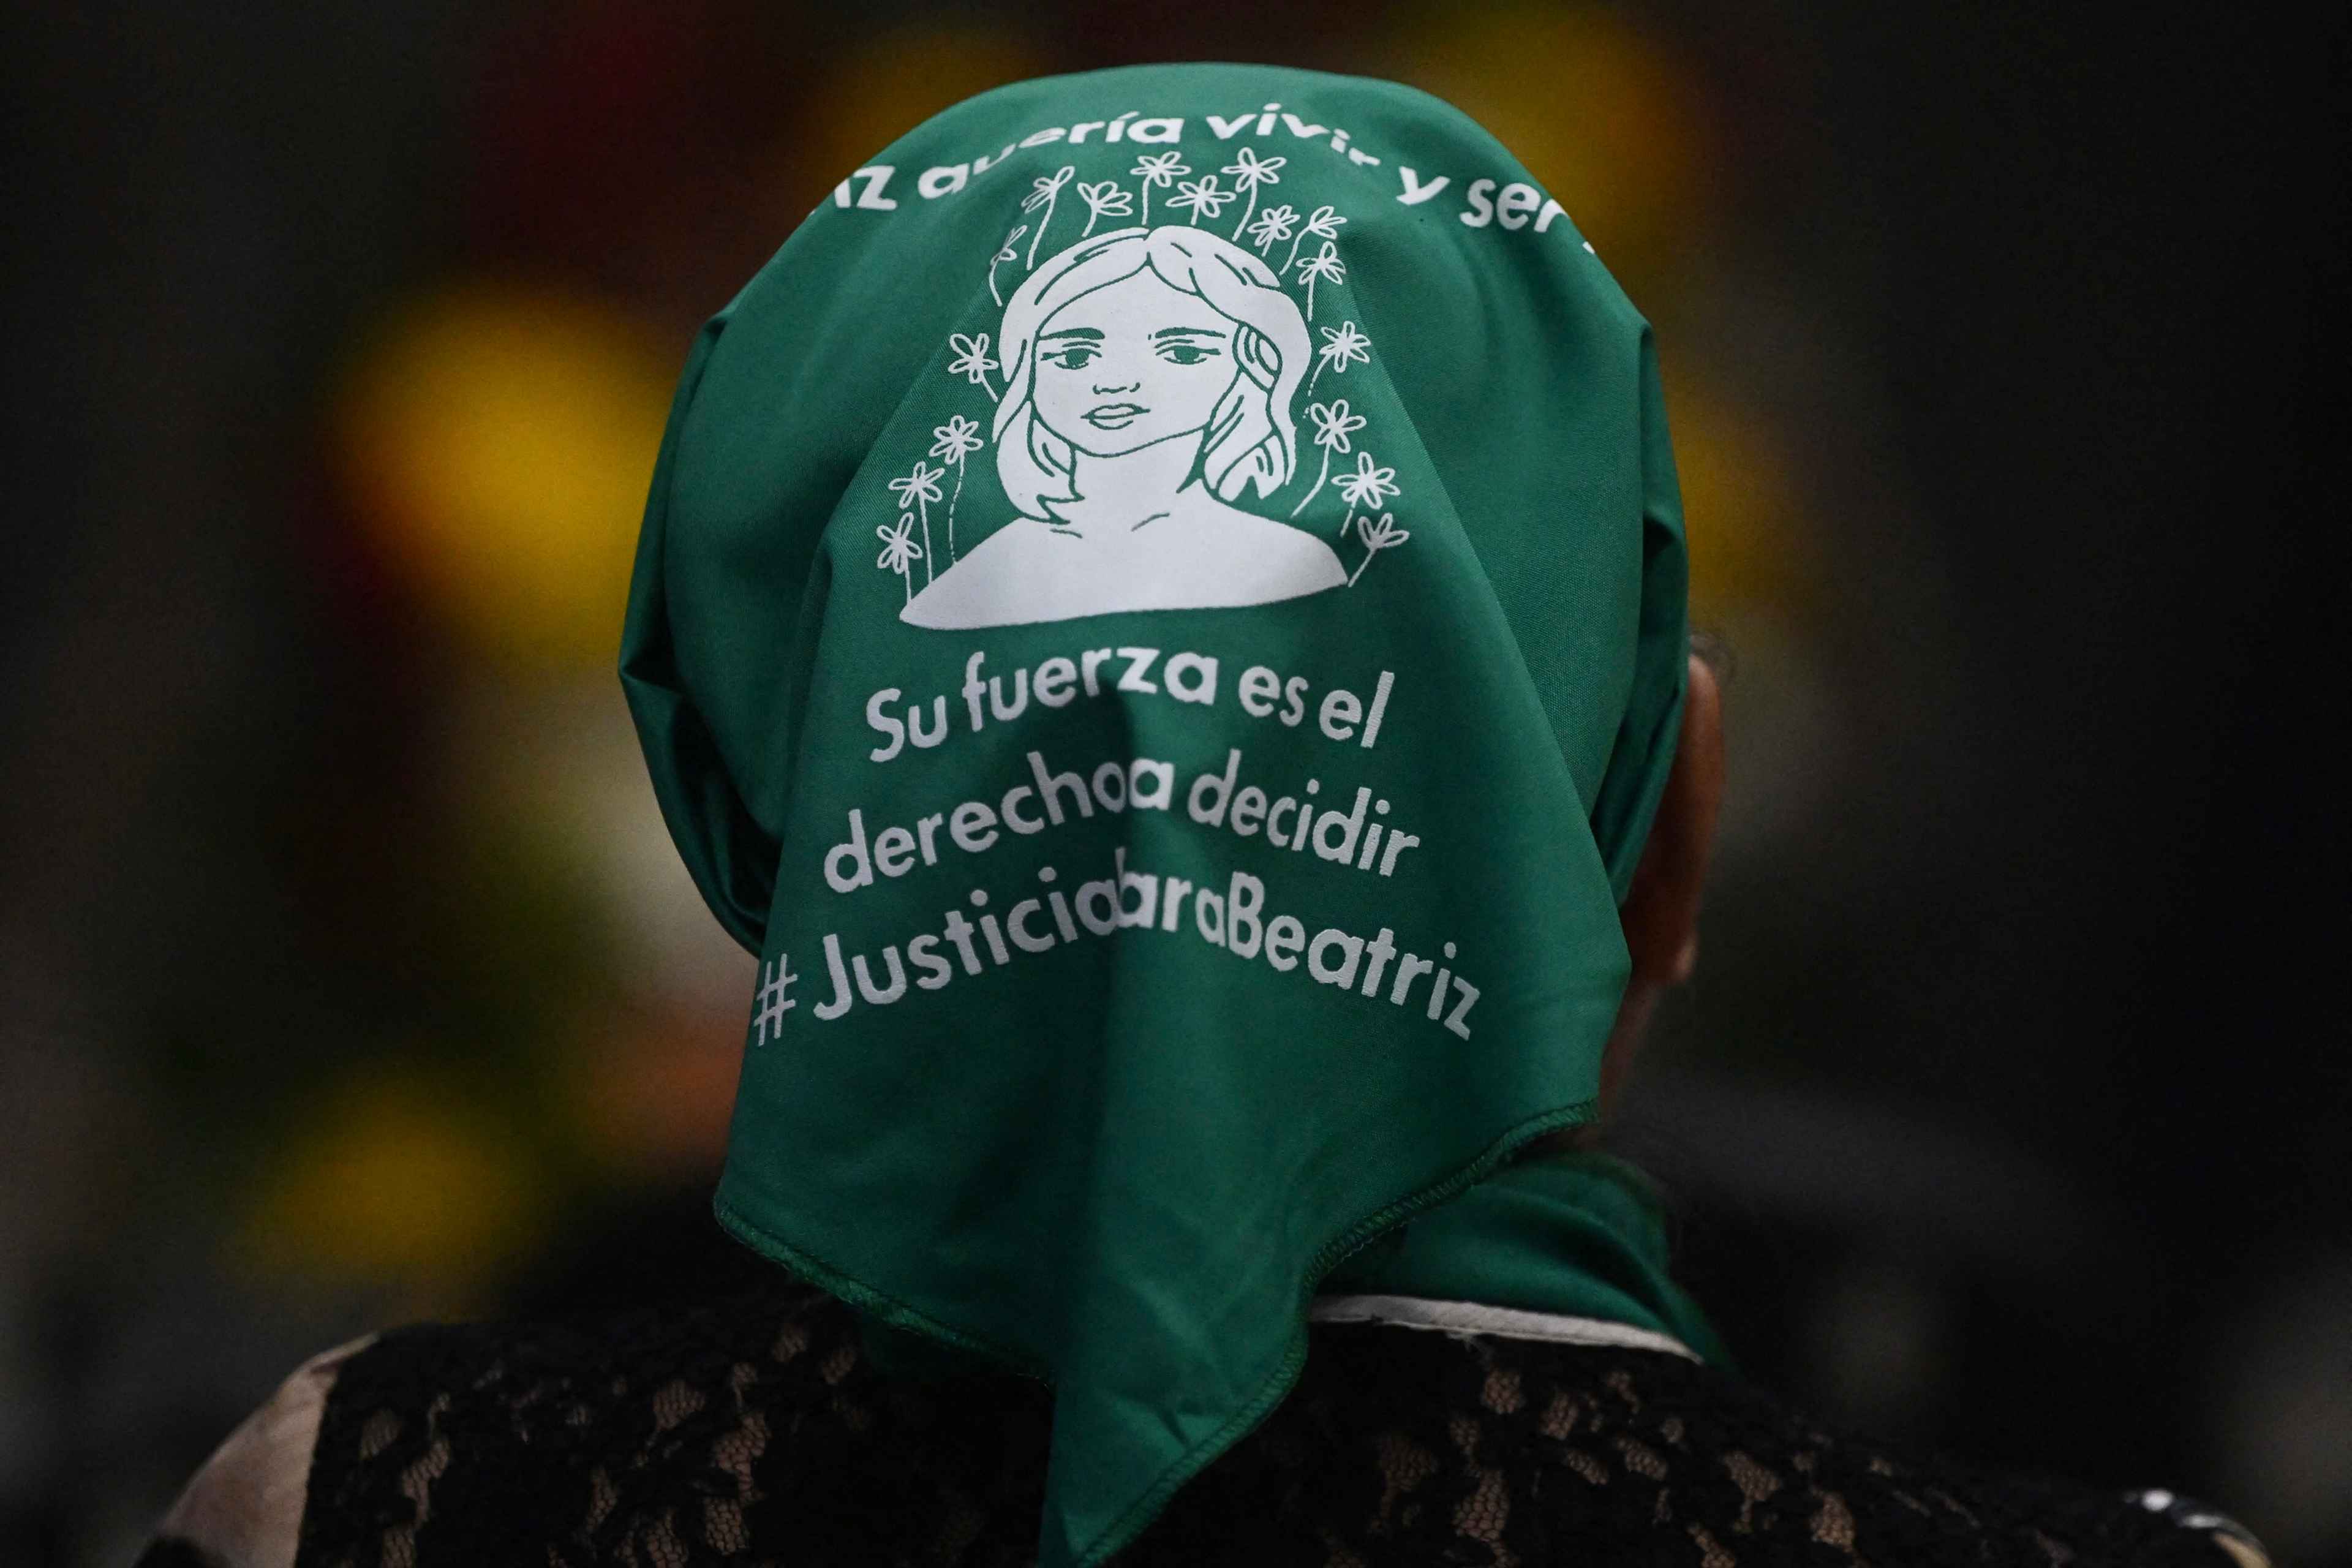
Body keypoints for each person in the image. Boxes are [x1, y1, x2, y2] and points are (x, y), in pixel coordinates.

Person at [140, 64, 2269, 1568]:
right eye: (1077, 346)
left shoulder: (351, 1509)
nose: (1125, 383)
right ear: (1670, 836)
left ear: (739, 811)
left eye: (1184, 344)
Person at [902, 224, 1346, 630]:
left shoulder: (1297, 563)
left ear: (1251, 365)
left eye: (1182, 352)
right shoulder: (971, 584)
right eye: (1075, 356)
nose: (1115, 383)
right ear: (1026, 374)